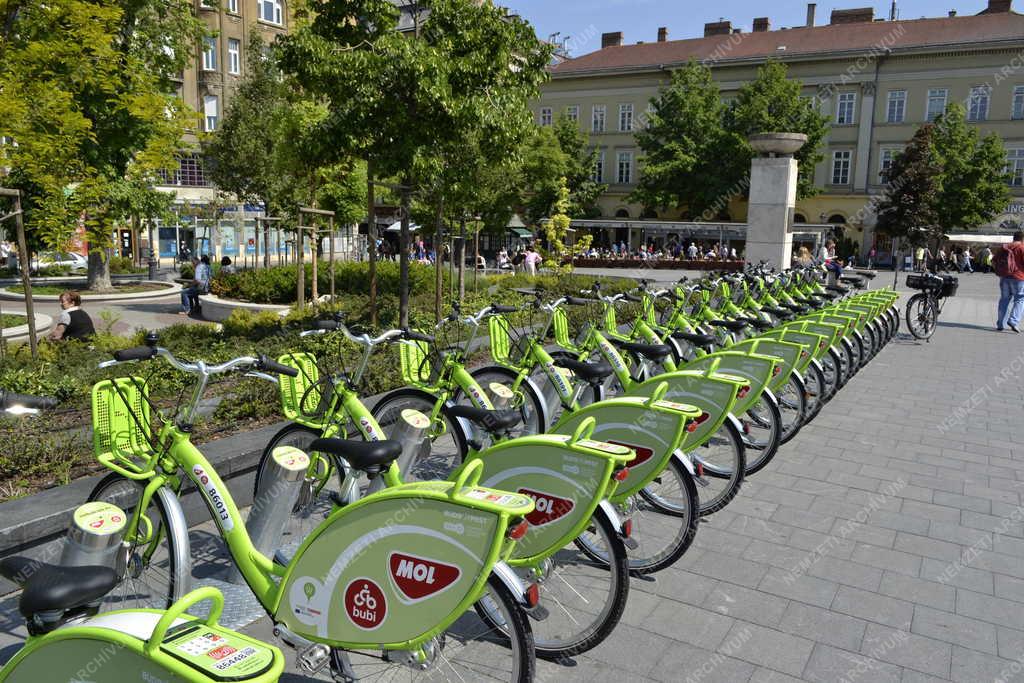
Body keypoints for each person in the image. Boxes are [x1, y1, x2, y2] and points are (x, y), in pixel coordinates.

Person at [995, 231, 1024, 333]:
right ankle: (1013, 320)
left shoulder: (1004, 248)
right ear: (1022, 239)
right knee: (1020, 299)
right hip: (1019, 277)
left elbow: (994, 260)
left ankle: (1000, 323)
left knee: (1004, 300)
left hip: (1004, 277)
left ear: (1013, 238)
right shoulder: (1022, 247)